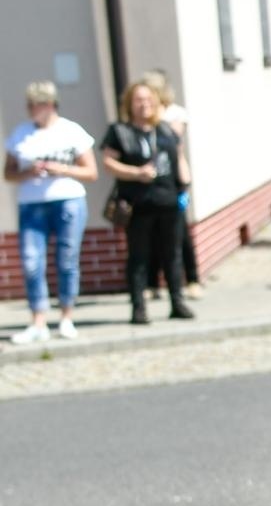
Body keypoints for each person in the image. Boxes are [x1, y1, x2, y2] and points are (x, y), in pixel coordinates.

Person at [4, 81, 96, 344]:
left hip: (67, 200)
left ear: (51, 104)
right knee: (32, 262)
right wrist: (27, 172)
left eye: (38, 104)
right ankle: (38, 322)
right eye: (30, 104)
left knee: (67, 260)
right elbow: (8, 173)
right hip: (31, 204)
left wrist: (62, 169)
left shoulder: (71, 131)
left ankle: (66, 317)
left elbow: (91, 172)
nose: (32, 109)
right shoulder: (21, 133)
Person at [101, 81, 192, 325]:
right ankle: (138, 308)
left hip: (167, 200)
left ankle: (177, 301)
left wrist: (186, 180)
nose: (144, 105)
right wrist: (136, 173)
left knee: (172, 254)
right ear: (130, 104)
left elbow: (179, 157)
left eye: (148, 100)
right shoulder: (120, 131)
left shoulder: (164, 130)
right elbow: (108, 164)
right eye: (139, 100)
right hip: (138, 203)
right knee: (138, 257)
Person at [138, 70, 203, 302]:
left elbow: (174, 141)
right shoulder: (143, 116)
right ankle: (153, 284)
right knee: (153, 237)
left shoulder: (174, 113)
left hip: (173, 182)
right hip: (149, 186)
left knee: (180, 235)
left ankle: (193, 279)